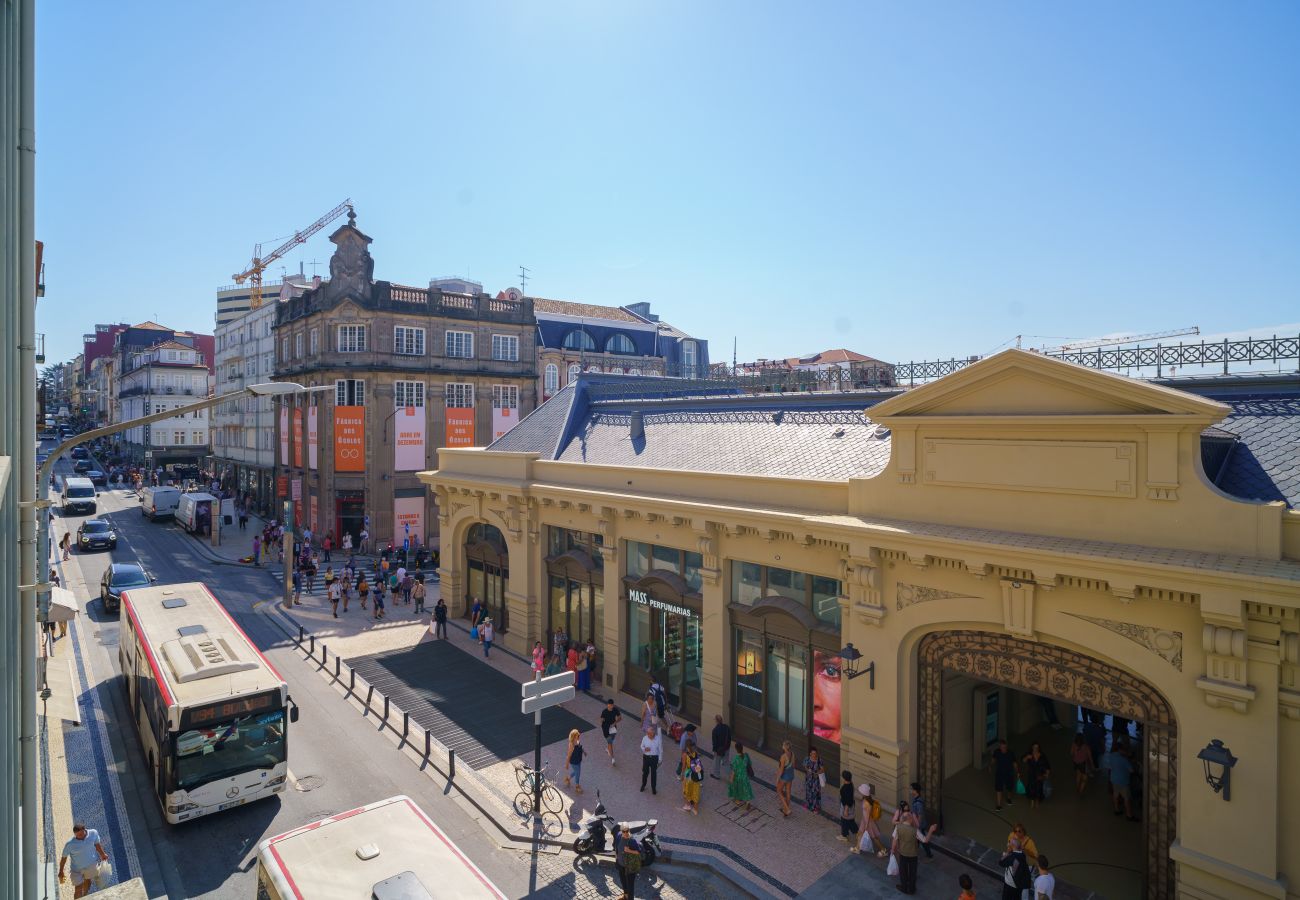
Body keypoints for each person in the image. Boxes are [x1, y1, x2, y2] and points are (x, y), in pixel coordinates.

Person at [59, 822, 108, 899]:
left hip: (91, 865)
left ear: (85, 830)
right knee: (78, 889)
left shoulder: (93, 833)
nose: (80, 837)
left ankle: (85, 895)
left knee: (88, 881)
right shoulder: (70, 844)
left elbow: (97, 844)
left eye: (81, 834)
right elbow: (64, 858)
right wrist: (61, 871)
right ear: (75, 834)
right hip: (76, 870)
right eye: (77, 836)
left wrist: (102, 854)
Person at [1103, 742, 1136, 820]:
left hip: (1114, 779)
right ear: (1120, 750)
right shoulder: (1123, 760)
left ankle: (1116, 809)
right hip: (1123, 781)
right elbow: (1131, 770)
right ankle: (1129, 815)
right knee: (1126, 798)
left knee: (1115, 795)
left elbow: (1110, 767)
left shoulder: (1111, 756)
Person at [891, 804, 920, 893]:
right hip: (912, 853)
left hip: (904, 851)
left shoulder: (899, 827)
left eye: (908, 810)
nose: (907, 812)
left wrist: (893, 849)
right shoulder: (913, 829)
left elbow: (895, 839)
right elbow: (925, 840)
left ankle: (904, 887)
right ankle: (911, 889)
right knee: (912, 871)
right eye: (905, 810)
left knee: (903, 870)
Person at [858, 782, 887, 857]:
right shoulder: (867, 800)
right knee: (860, 833)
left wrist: (866, 826)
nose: (860, 792)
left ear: (864, 793)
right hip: (865, 820)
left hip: (867, 822)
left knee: (874, 837)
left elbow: (867, 815)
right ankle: (857, 848)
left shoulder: (867, 803)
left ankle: (883, 849)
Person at [990, 738, 1019, 810]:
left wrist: (1017, 772)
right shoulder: (997, 752)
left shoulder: (1011, 753)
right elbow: (993, 759)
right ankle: (999, 805)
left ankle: (1008, 798)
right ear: (1000, 747)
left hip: (1009, 774)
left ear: (1006, 747)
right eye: (1002, 747)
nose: (1003, 749)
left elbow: (1015, 764)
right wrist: (990, 765)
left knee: (1009, 788)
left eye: (1004, 747)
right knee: (999, 789)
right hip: (999, 774)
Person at [1021, 743, 1051, 809]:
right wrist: (1026, 757)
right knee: (1031, 788)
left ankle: (1037, 801)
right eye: (1034, 747)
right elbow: (1023, 760)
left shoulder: (1042, 756)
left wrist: (1047, 773)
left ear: (1039, 748)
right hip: (1031, 775)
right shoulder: (1029, 755)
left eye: (1037, 747)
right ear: (1032, 748)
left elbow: (1047, 765)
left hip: (1040, 775)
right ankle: (1032, 801)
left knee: (1039, 788)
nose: (1035, 749)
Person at [614, 825, 640, 900]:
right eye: (623, 831)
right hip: (621, 865)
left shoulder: (632, 840)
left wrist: (629, 851)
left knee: (630, 885)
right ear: (621, 831)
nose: (625, 833)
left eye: (627, 831)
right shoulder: (618, 835)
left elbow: (638, 852)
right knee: (623, 882)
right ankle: (625, 896)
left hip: (630, 867)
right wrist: (616, 857)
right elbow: (616, 846)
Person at [910, 782, 934, 858]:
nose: (910, 790)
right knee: (917, 838)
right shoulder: (917, 799)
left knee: (924, 841)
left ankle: (929, 855)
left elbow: (920, 815)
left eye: (911, 789)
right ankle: (914, 851)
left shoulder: (918, 803)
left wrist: (917, 825)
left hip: (919, 825)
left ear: (915, 791)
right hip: (918, 824)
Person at [728, 742, 754, 811]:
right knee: (746, 788)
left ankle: (738, 800)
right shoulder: (746, 756)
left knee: (737, 788)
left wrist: (731, 778)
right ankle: (748, 802)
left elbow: (734, 771)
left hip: (738, 777)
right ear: (742, 748)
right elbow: (749, 764)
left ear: (736, 749)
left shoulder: (735, 759)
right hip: (745, 776)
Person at [680, 741, 703, 814]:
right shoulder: (696, 753)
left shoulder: (685, 755)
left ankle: (687, 805)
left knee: (687, 789)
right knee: (696, 790)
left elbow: (683, 766)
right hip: (696, 775)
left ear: (687, 747)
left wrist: (682, 775)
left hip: (689, 775)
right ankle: (695, 809)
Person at [837, 770, 859, 845]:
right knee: (848, 821)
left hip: (847, 808)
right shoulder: (851, 785)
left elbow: (847, 800)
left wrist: (846, 810)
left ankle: (846, 835)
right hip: (851, 807)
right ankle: (846, 834)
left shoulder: (845, 788)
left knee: (846, 821)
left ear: (844, 778)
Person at [640, 725, 662, 794]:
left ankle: (653, 788)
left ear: (653, 733)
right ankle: (643, 785)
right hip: (646, 757)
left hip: (654, 758)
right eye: (648, 733)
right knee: (645, 772)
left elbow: (661, 750)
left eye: (650, 734)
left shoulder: (658, 739)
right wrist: (644, 749)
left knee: (653, 774)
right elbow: (641, 746)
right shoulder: (645, 738)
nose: (649, 735)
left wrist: (660, 760)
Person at [776, 740, 795, 817]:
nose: (782, 746)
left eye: (783, 745)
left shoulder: (783, 756)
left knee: (779, 790)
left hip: (785, 776)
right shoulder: (793, 754)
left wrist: (777, 778)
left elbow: (781, 769)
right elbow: (793, 765)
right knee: (788, 792)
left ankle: (787, 809)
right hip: (791, 775)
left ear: (785, 747)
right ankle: (785, 810)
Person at [710, 714, 732, 780]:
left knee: (717, 762)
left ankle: (716, 775)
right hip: (726, 748)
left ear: (716, 721)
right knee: (726, 763)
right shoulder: (727, 727)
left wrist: (714, 750)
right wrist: (727, 747)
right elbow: (729, 738)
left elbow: (715, 743)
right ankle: (731, 776)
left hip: (718, 750)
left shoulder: (715, 730)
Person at [600, 698, 621, 765]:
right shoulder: (604, 711)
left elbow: (620, 717)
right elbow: (601, 720)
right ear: (607, 705)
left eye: (611, 705)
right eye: (609, 705)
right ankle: (613, 759)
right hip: (606, 729)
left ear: (613, 705)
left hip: (613, 729)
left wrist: (614, 723)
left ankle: (608, 749)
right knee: (610, 743)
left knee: (610, 741)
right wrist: (603, 723)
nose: (610, 706)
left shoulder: (615, 710)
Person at [803, 747, 824, 813]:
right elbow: (805, 766)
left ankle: (815, 807)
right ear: (810, 753)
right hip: (809, 779)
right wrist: (808, 770)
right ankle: (808, 804)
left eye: (815, 753)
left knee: (815, 793)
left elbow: (822, 769)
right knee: (808, 791)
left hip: (816, 780)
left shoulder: (819, 760)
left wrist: (817, 773)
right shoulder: (807, 759)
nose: (814, 755)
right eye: (812, 753)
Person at [564, 729, 585, 794]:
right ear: (573, 736)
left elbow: (580, 747)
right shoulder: (571, 744)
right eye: (577, 736)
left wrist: (584, 752)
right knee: (578, 773)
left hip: (578, 759)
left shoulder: (577, 741)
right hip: (574, 761)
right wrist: (567, 764)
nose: (579, 736)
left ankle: (568, 778)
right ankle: (577, 786)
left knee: (576, 772)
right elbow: (568, 755)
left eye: (578, 735)